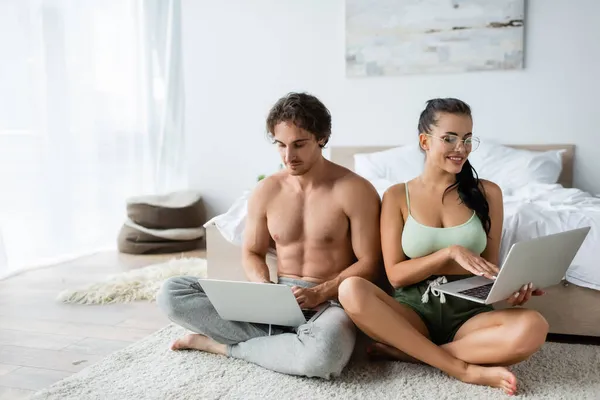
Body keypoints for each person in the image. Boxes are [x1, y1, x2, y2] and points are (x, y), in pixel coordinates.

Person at [157, 92, 382, 379]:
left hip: (331, 302)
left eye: (299, 145)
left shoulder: (355, 190)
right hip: (277, 298)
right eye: (280, 145)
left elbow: (370, 262)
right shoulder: (267, 191)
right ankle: (285, 344)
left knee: (322, 358)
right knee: (171, 293)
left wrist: (319, 292)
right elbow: (252, 252)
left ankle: (219, 346)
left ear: (322, 138)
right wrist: (263, 286)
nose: (289, 156)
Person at [337, 98, 549, 395]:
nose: (460, 148)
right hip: (413, 312)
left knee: (534, 326)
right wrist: (450, 252)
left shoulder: (489, 193)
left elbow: (489, 268)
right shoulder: (397, 196)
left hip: (470, 314)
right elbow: (395, 275)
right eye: (449, 138)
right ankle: (460, 368)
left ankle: (414, 353)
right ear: (425, 141)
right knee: (350, 289)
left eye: (466, 139)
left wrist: (511, 287)